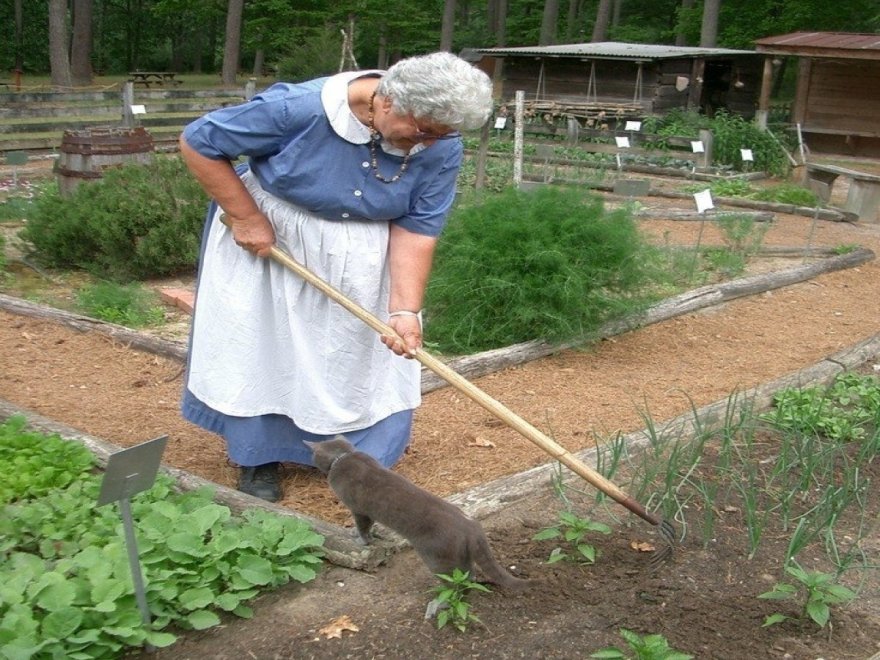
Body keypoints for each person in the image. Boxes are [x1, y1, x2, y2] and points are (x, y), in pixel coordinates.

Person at [178, 52, 493, 502]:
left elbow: (418, 227)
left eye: (441, 136)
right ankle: (257, 457)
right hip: (277, 242)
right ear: (387, 103)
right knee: (264, 348)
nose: (427, 145)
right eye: (422, 132)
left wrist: (405, 309)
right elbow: (199, 142)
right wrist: (244, 216)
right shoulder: (298, 109)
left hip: (365, 255)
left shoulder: (440, 141)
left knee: (355, 356)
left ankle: (360, 463)